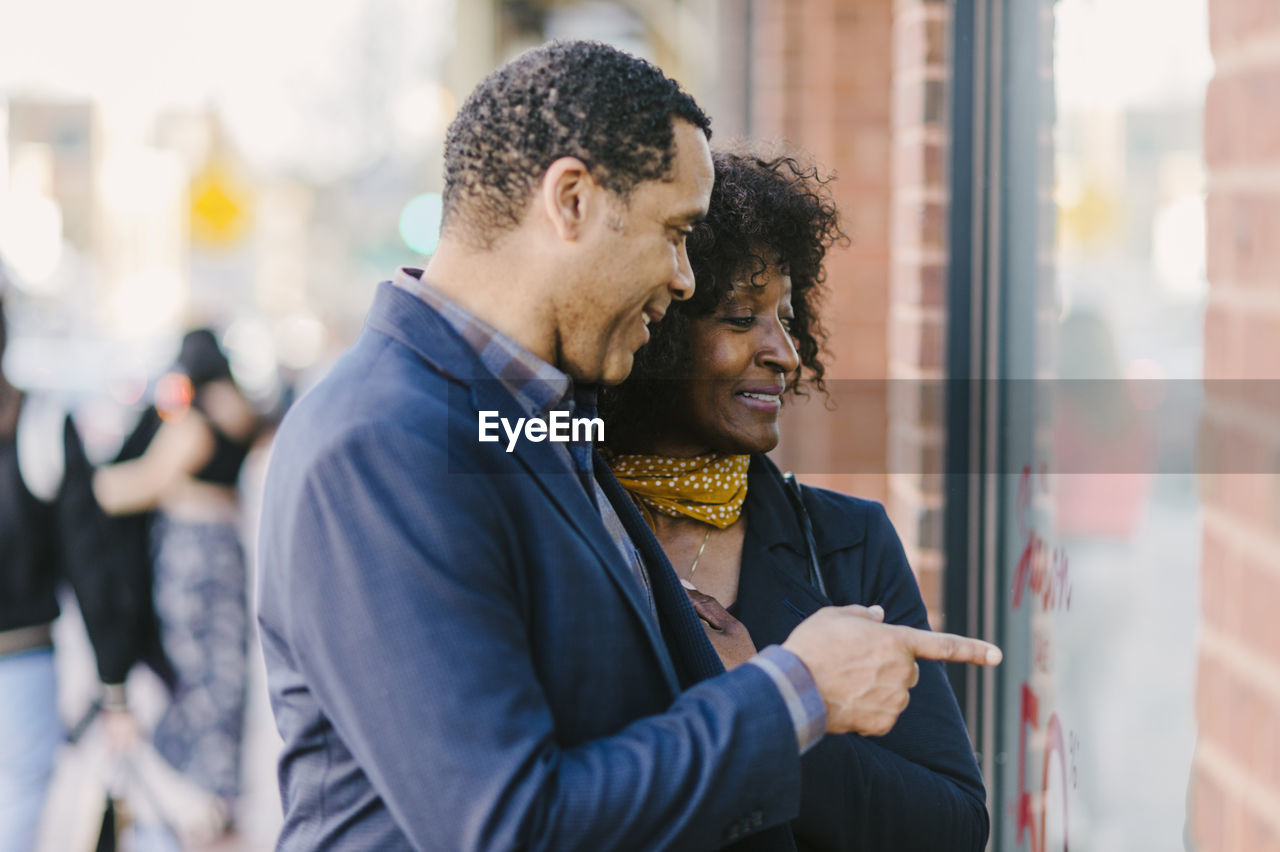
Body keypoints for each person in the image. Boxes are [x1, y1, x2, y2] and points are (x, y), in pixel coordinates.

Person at [257, 40, 1001, 851]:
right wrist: (798, 691)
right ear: (571, 200)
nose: (685, 278)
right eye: (675, 232)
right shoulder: (379, 444)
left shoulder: (538, 419)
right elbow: (513, 827)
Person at [600, 151, 988, 850]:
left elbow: (952, 827)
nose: (785, 351)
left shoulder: (847, 543)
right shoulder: (569, 521)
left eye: (786, 315)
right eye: (742, 317)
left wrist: (779, 696)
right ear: (655, 320)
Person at [0, 272, 152, 851]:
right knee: (14, 815)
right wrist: (114, 688)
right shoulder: (39, 422)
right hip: (20, 665)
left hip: (27, 666)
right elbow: (93, 567)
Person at [93, 327, 259, 835]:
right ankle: (218, 798)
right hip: (225, 555)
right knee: (223, 679)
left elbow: (144, 483)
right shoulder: (241, 411)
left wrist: (87, 484)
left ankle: (199, 800)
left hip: (191, 562)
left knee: (193, 680)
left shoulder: (193, 423)